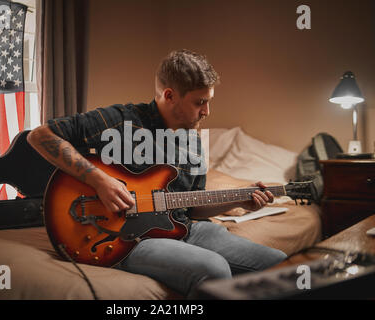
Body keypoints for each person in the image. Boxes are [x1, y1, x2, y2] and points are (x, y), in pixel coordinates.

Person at [27, 49, 287, 297]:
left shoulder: (194, 142)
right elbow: (40, 136)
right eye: (200, 102)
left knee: (283, 266)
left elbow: (192, 206)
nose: (207, 112)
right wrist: (100, 180)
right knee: (214, 269)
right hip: (126, 237)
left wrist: (239, 201)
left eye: (208, 102)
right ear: (170, 95)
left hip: (183, 228)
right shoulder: (121, 121)